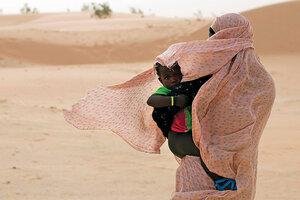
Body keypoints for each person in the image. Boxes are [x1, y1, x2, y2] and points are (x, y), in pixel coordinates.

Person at [63, 13, 275, 199]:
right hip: (237, 166)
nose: (211, 40)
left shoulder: (204, 70)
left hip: (199, 159)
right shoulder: (263, 80)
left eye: (214, 34)